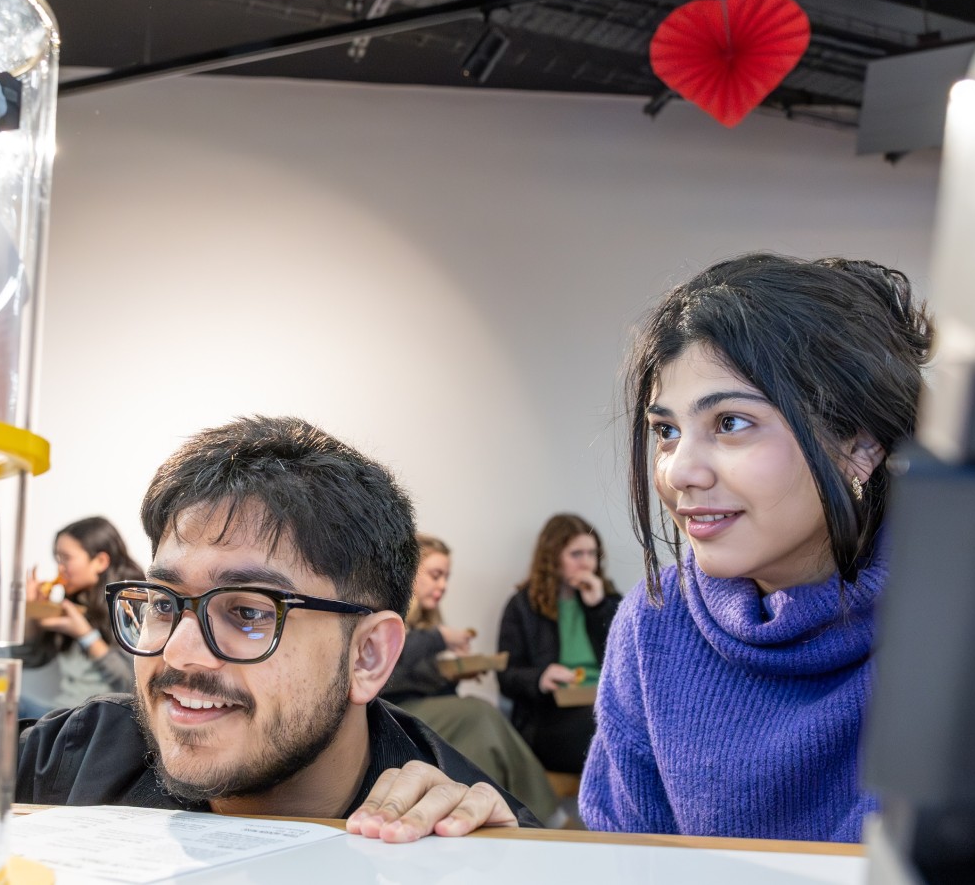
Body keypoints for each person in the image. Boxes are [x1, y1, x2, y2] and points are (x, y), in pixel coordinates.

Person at [0, 416, 536, 844]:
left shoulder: (452, 830)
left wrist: (512, 863)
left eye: (247, 612)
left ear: (368, 655)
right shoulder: (80, 755)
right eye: (162, 602)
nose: (177, 653)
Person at [580, 253, 933, 841]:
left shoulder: (961, 628)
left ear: (860, 447)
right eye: (666, 431)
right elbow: (625, 857)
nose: (679, 471)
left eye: (730, 423)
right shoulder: (655, 623)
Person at [381, 534, 560, 822]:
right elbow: (393, 671)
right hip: (391, 713)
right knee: (478, 713)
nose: (443, 586)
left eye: (446, 578)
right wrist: (440, 638)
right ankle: (540, 816)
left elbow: (428, 684)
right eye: (435, 575)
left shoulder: (427, 623)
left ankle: (501, 816)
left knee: (480, 732)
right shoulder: (393, 619)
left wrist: (457, 671)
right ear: (410, 573)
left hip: (425, 711)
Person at [497, 513, 621, 775]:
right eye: (576, 554)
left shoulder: (607, 599)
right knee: (602, 732)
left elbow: (627, 661)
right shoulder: (522, 606)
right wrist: (541, 678)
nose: (587, 563)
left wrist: (599, 607)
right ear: (552, 557)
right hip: (551, 715)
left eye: (592, 553)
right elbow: (506, 676)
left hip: (604, 703)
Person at [17, 517, 144, 718]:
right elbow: (30, 658)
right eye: (57, 559)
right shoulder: (76, 603)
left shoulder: (132, 605)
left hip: (97, 720)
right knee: (0, 701)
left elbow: (132, 683)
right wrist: (34, 612)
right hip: (61, 713)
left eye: (66, 558)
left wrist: (85, 635)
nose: (60, 568)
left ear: (100, 561)